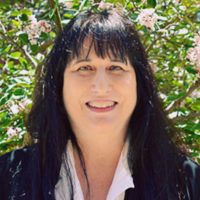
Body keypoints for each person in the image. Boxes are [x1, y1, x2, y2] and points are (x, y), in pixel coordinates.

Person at [0, 8, 200, 200]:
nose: (101, 87)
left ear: (139, 83)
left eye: (116, 67)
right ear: (59, 83)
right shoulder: (8, 176)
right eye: (85, 67)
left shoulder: (186, 180)